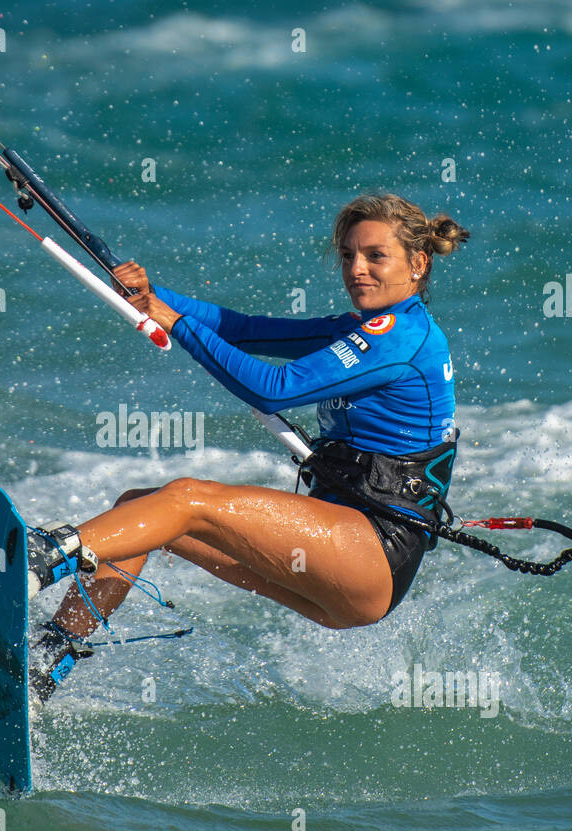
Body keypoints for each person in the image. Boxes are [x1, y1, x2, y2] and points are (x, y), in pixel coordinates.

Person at [26, 193, 469, 696]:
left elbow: (272, 388)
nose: (356, 269)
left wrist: (177, 325)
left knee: (188, 499)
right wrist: (153, 297)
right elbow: (246, 330)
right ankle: (45, 659)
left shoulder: (401, 336)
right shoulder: (365, 329)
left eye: (375, 256)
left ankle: (35, 561)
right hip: (344, 565)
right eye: (348, 255)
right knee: (141, 512)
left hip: (371, 552)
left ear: (417, 263)